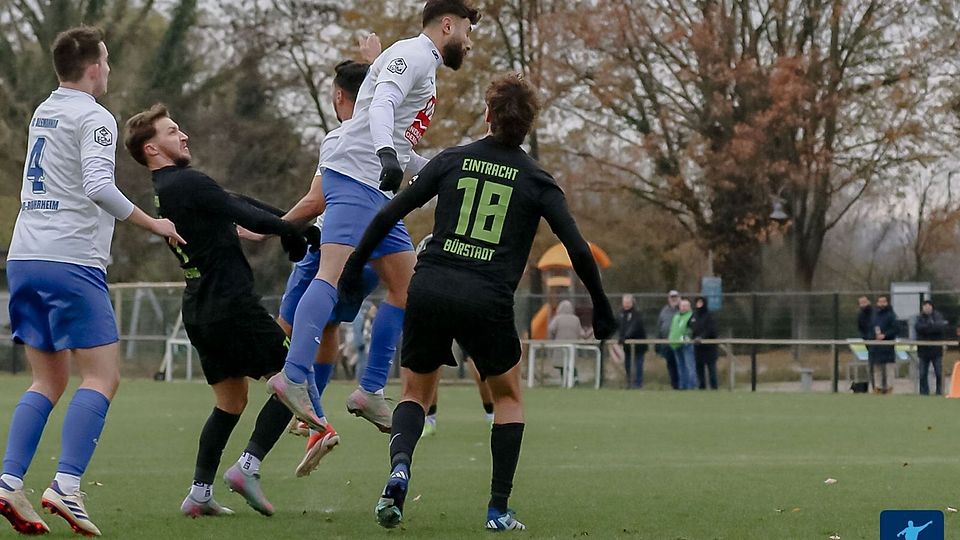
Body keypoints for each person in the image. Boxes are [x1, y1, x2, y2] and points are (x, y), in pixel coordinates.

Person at [337, 73, 617, 531]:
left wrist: (353, 268)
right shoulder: (538, 180)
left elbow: (389, 211)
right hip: (486, 296)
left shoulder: (451, 160)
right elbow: (580, 250)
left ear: (488, 114)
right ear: (528, 125)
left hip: (429, 286)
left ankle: (400, 469)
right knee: (508, 398)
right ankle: (498, 510)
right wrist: (602, 307)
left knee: (413, 393)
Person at [0, 27, 184, 536]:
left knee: (47, 379)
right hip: (69, 260)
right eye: (106, 59)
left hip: (25, 257)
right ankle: (66, 485)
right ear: (94, 67)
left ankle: (9, 481)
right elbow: (99, 186)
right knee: (102, 376)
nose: (109, 68)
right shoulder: (95, 117)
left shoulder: (44, 110)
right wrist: (155, 224)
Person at [269, 0, 481, 435]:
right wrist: (385, 152)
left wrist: (438, 169)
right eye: (467, 30)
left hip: (375, 188)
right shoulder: (416, 55)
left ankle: (370, 391)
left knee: (408, 287)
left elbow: (393, 128)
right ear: (447, 24)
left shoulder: (416, 60)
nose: (469, 41)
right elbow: (383, 103)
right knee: (328, 276)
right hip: (355, 178)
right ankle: (292, 377)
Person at [123, 103, 314, 517]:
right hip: (231, 307)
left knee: (230, 402)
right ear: (152, 149)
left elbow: (235, 200)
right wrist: (294, 232)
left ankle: (199, 493)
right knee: (293, 378)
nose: (183, 135)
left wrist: (290, 221)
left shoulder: (172, 188)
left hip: (200, 309)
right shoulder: (185, 183)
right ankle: (248, 468)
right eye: (173, 131)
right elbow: (242, 212)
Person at [261, 38, 384, 476]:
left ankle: (308, 411)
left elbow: (315, 201)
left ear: (338, 97)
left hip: (336, 244)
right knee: (329, 325)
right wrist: (378, 62)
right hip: (375, 257)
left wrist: (270, 227)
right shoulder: (387, 132)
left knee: (287, 325)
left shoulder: (340, 138)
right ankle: (361, 394)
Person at [914, 300, 949, 396]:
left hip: (936, 350)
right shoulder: (919, 318)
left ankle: (939, 392)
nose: (927, 308)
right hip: (923, 351)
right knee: (922, 374)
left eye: (929, 306)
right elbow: (918, 328)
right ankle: (924, 393)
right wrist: (930, 327)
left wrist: (927, 328)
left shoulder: (938, 316)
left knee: (938, 372)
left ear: (932, 307)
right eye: (925, 306)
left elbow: (940, 327)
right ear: (922, 308)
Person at [871, 295, 899, 394]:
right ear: (877, 303)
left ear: (887, 303)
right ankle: (877, 388)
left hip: (888, 346)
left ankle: (889, 388)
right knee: (877, 368)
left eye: (884, 302)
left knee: (889, 368)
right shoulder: (875, 315)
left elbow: (896, 329)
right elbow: (871, 327)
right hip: (876, 346)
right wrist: (874, 336)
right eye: (880, 302)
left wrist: (885, 335)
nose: (882, 304)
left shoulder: (891, 315)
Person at [618, 294, 647, 389]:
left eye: (628, 302)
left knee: (638, 364)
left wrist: (625, 337)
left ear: (632, 303)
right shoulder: (621, 314)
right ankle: (629, 382)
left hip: (639, 345)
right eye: (624, 302)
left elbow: (634, 327)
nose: (626, 304)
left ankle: (638, 384)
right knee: (627, 365)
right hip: (627, 346)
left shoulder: (637, 314)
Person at [690, 296, 718, 390]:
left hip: (709, 348)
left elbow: (711, 329)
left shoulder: (709, 315)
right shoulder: (694, 315)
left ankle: (714, 388)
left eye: (701, 302)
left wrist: (702, 337)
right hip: (698, 348)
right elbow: (691, 327)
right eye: (697, 302)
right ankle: (701, 387)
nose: (699, 304)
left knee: (711, 369)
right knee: (699, 369)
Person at [669, 298, 698, 390]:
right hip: (675, 344)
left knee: (689, 365)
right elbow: (673, 329)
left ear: (689, 307)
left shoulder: (691, 316)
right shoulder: (676, 316)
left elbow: (693, 329)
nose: (684, 308)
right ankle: (683, 385)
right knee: (680, 366)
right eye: (682, 306)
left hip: (686, 344)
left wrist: (687, 336)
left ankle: (692, 386)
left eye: (686, 306)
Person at [657, 291, 681, 389]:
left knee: (680, 364)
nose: (673, 299)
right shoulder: (664, 311)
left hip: (680, 343)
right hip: (667, 343)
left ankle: (682, 384)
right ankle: (674, 385)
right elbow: (659, 326)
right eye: (672, 297)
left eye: (675, 297)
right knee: (670, 365)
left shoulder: (682, 309)